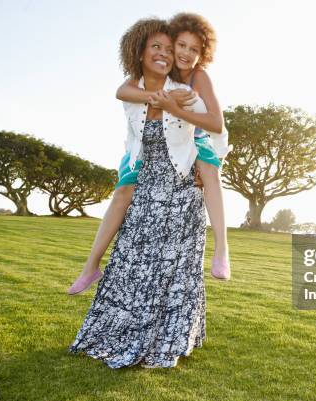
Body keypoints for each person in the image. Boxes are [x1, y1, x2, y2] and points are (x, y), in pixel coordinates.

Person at [68, 17, 218, 368]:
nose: (166, 53)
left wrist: (203, 161)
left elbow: (209, 126)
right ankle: (93, 271)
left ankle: (172, 338)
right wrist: (156, 98)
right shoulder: (132, 87)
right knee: (131, 261)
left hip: (180, 193)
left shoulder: (181, 87)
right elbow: (122, 92)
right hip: (144, 186)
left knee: (174, 273)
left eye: (171, 48)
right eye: (158, 47)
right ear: (139, 51)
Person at [116, 13, 230, 281]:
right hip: (167, 142)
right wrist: (160, 98)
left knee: (210, 175)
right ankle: (94, 263)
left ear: (203, 54)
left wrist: (171, 106)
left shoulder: (199, 77)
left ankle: (222, 250)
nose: (186, 54)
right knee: (125, 186)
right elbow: (123, 91)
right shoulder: (163, 70)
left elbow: (215, 123)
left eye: (195, 50)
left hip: (200, 138)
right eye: (181, 45)